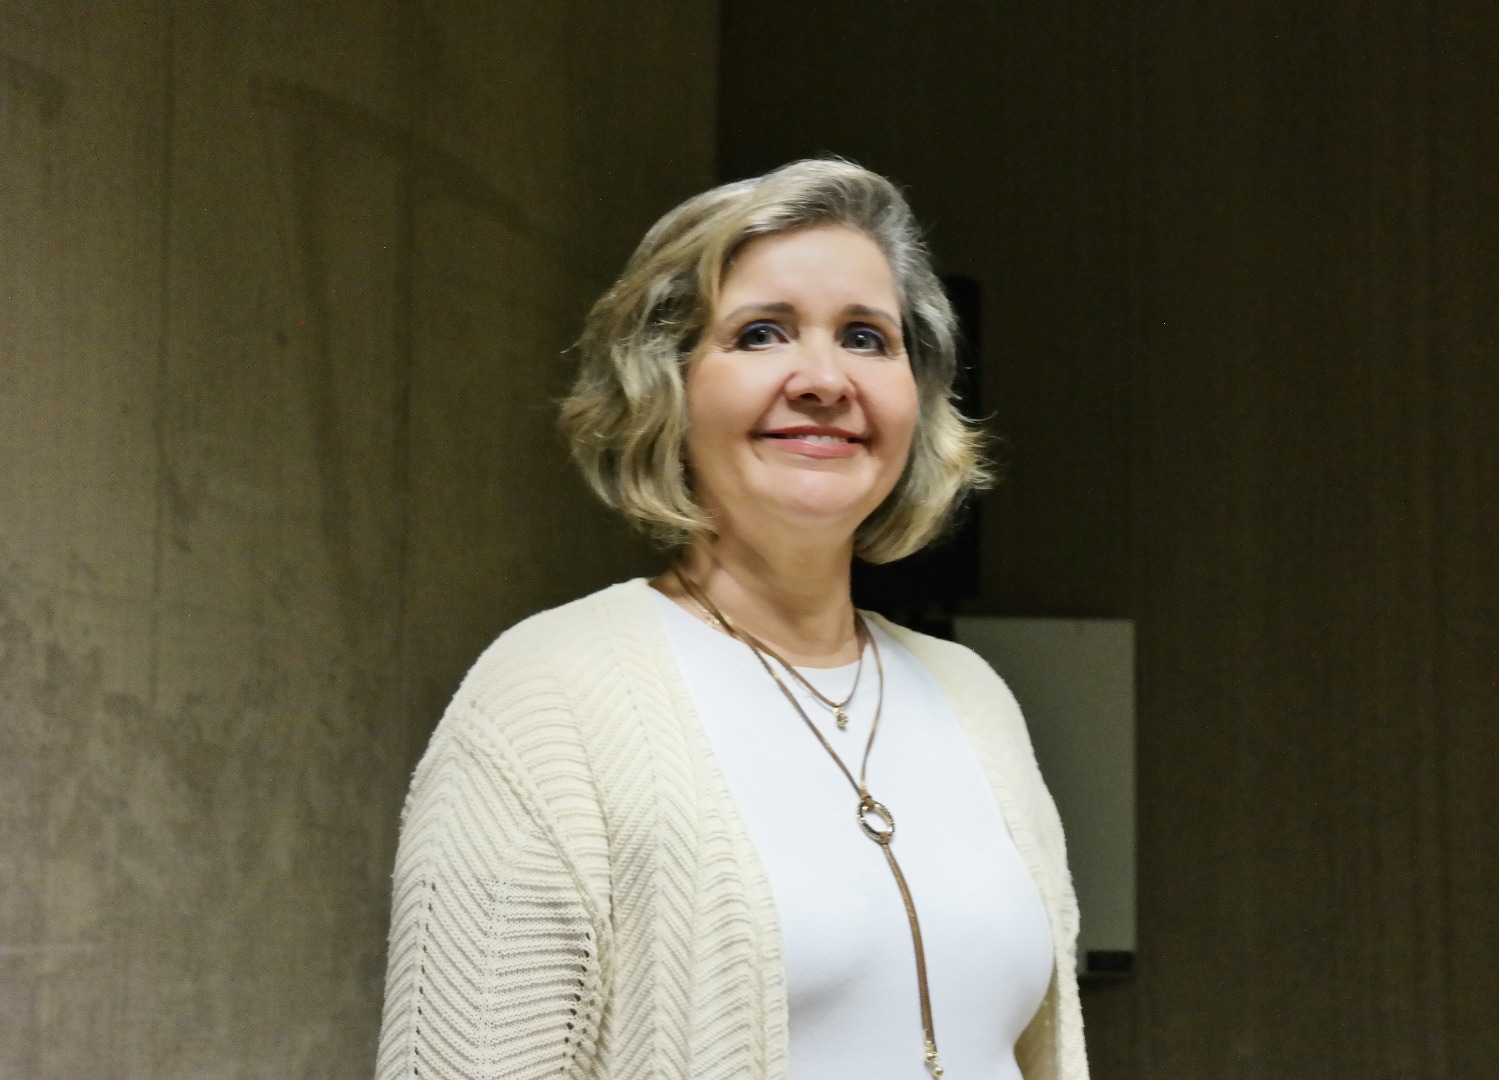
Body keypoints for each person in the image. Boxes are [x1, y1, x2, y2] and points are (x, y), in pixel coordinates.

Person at [375, 159, 1087, 1080]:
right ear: (665, 387)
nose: (824, 379)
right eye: (761, 333)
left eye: (866, 338)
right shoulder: (548, 699)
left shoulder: (972, 696)